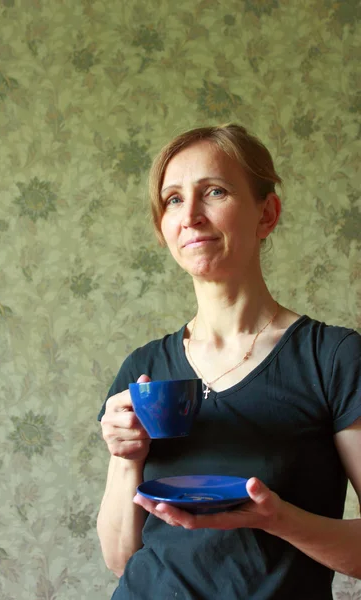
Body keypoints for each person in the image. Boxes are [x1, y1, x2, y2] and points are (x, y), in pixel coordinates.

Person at [96, 123, 361, 599]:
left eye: (213, 191)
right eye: (173, 199)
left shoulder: (334, 358)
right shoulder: (143, 366)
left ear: (267, 213)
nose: (190, 215)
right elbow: (119, 559)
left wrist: (278, 519)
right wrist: (125, 459)